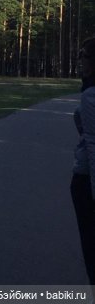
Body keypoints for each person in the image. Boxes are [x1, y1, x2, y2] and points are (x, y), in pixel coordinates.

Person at [71, 36, 95, 285]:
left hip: (87, 181)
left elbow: (93, 147)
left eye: (84, 56)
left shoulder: (91, 95)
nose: (80, 61)